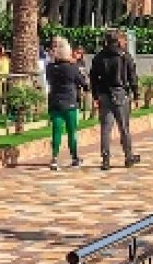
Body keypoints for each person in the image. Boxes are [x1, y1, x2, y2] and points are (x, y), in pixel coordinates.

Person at [89, 29, 142, 170]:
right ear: (118, 40)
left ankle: (105, 159)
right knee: (124, 127)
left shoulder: (99, 57)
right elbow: (132, 77)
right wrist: (136, 94)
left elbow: (93, 78)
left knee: (105, 129)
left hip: (104, 94)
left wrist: (95, 96)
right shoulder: (124, 56)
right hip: (120, 93)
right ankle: (128, 156)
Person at [45, 38, 88, 170]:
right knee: (72, 132)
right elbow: (83, 83)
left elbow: (49, 77)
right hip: (70, 103)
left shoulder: (50, 68)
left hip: (55, 103)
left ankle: (54, 158)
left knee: (56, 132)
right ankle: (74, 157)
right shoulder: (72, 68)